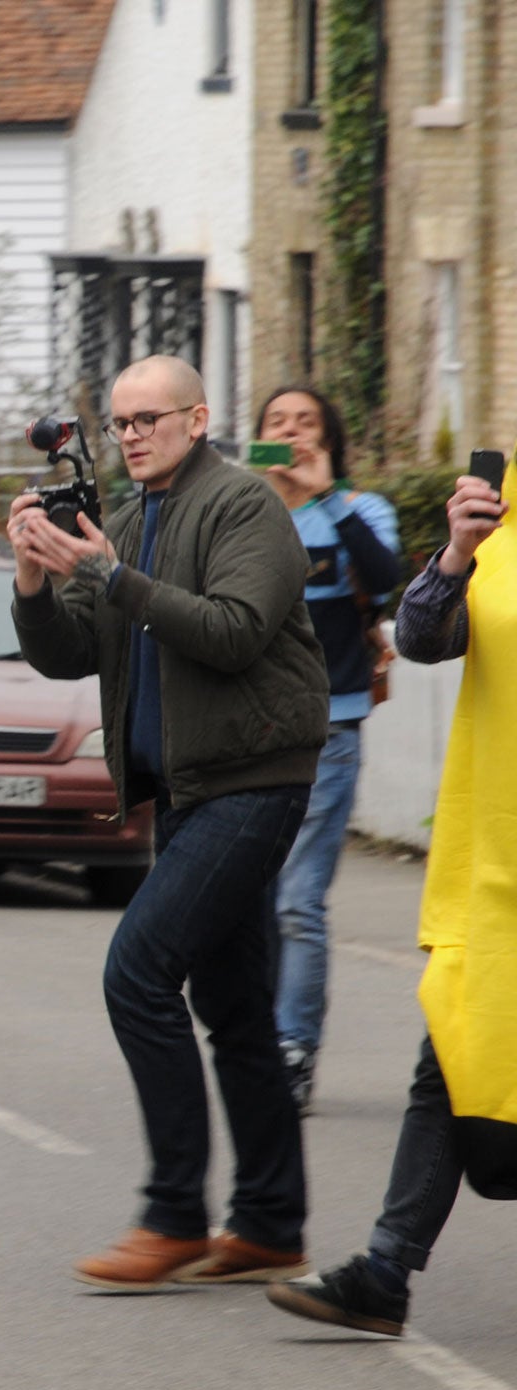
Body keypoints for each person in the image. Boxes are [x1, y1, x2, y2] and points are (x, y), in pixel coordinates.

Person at [8, 354, 330, 1291]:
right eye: (119, 422)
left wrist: (111, 578)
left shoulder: (241, 505)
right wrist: (34, 579)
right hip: (184, 787)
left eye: (150, 418)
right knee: (232, 1008)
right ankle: (271, 1224)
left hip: (254, 779)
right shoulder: (121, 517)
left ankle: (175, 1214)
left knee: (138, 974)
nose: (132, 434)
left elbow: (234, 629)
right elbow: (69, 653)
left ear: (196, 419)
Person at [268, 465, 515, 1336]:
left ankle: (385, 1269)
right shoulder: (502, 528)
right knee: (451, 1051)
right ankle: (385, 1271)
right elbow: (419, 638)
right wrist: (456, 552)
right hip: (497, 858)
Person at [253, 386, 402, 1112]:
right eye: (277, 424)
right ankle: (259, 1040)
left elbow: (385, 581)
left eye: (306, 423)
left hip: (330, 728)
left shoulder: (362, 511)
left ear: (331, 440)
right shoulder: (240, 514)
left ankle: (293, 1050)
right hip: (249, 734)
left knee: (298, 900)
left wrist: (327, 498)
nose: (291, 434)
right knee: (257, 894)